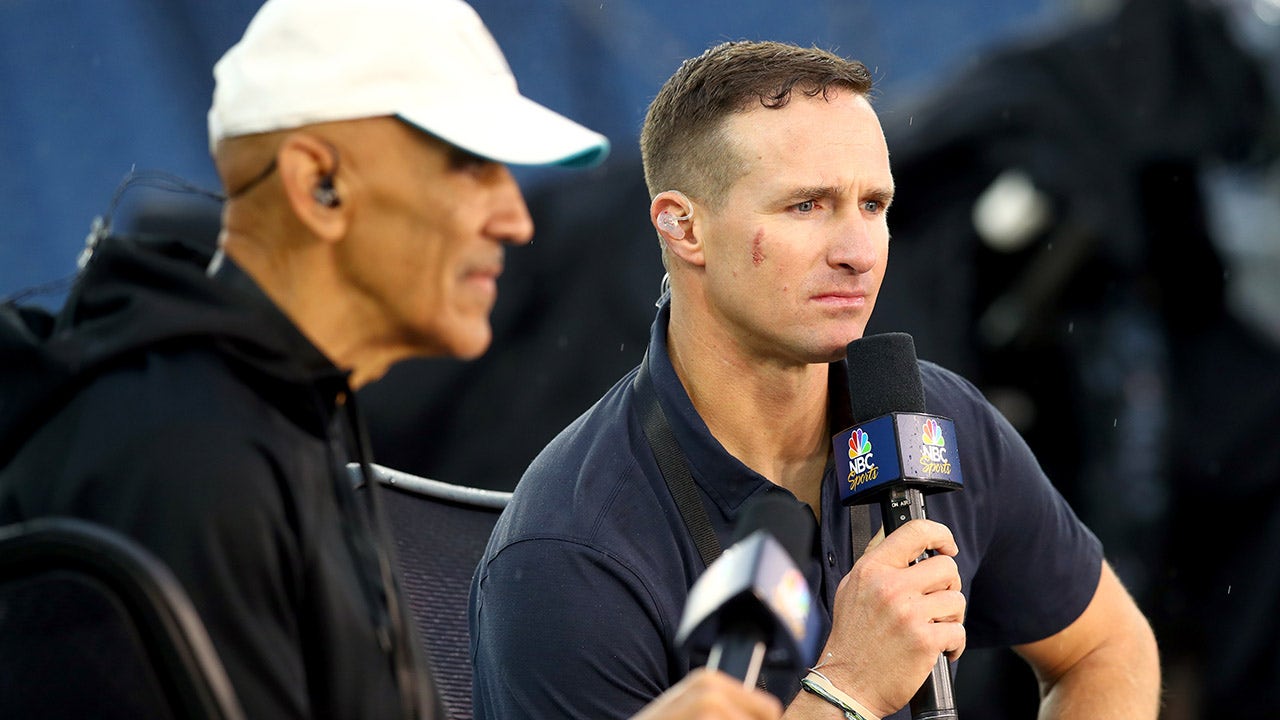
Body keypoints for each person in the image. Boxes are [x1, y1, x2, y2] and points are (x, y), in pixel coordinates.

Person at [0, 1, 781, 719]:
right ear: (320, 183)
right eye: (470, 165)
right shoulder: (193, 462)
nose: (514, 218)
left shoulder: (257, 421)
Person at [469, 40, 1161, 720]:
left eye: (874, 206)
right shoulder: (570, 551)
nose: (858, 253)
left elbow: (1108, 646)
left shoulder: (936, 417)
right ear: (683, 228)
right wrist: (849, 689)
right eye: (806, 206)